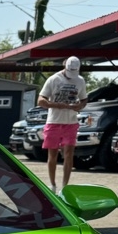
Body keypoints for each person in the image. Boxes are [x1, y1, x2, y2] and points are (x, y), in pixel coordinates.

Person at [37, 56, 88, 193]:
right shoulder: (54, 79)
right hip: (54, 121)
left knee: (69, 154)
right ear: (65, 66)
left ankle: (65, 186)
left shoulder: (80, 80)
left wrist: (80, 106)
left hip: (71, 122)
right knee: (52, 154)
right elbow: (41, 100)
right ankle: (52, 184)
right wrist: (57, 105)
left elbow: (84, 99)